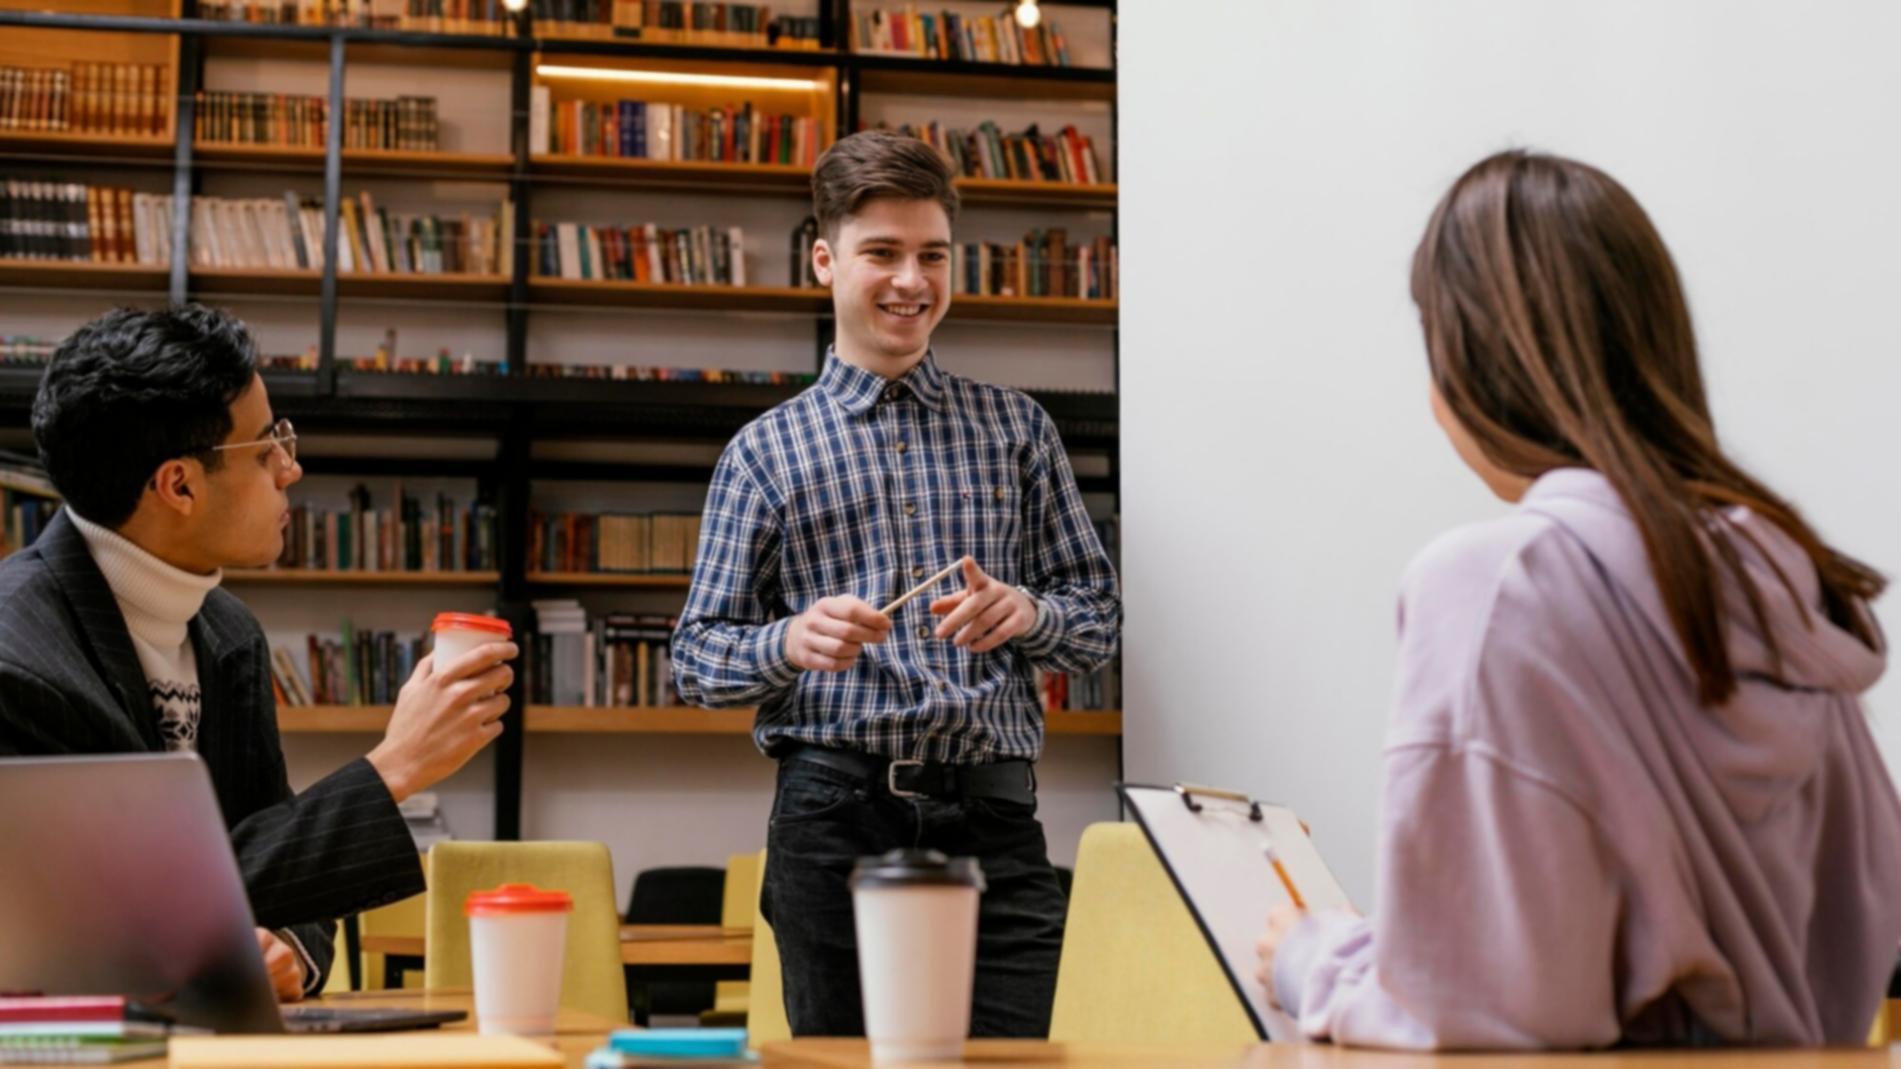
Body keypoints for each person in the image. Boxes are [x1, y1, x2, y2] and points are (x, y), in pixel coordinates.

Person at [1256, 150, 1901, 1049]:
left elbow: (1492, 1007)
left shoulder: (1496, 584)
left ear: (1469, 363)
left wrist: (1312, 959)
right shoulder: (1786, 582)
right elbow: (1863, 924)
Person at [670, 129, 1121, 1038]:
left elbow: (1098, 623)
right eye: (882, 253)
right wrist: (787, 641)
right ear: (826, 259)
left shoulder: (1018, 430)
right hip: (832, 815)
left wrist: (1028, 612)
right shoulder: (763, 451)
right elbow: (696, 659)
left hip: (995, 816)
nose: (911, 281)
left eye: (931, 256)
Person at [0, 304, 519, 1000]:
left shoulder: (228, 630)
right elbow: (113, 920)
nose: (291, 467)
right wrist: (394, 766)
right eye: (266, 445)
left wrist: (288, 953)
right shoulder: (18, 655)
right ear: (178, 484)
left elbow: (282, 862)